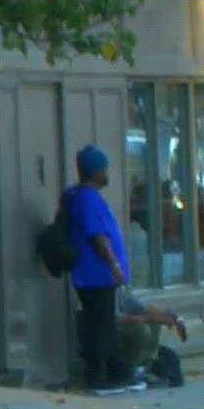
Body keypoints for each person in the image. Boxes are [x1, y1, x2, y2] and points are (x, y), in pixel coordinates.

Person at [64, 145, 139, 395]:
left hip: (96, 275)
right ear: (95, 171)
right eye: (104, 169)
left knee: (103, 324)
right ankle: (99, 376)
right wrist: (114, 264)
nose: (107, 173)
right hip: (95, 275)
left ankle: (113, 370)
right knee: (100, 326)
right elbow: (98, 236)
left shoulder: (85, 197)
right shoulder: (89, 199)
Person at [117, 290, 188, 388]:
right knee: (142, 328)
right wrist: (147, 318)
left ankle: (146, 366)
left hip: (129, 334)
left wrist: (172, 317)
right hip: (111, 334)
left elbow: (141, 308)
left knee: (154, 320)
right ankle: (133, 370)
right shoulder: (105, 291)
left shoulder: (120, 292)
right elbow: (116, 318)